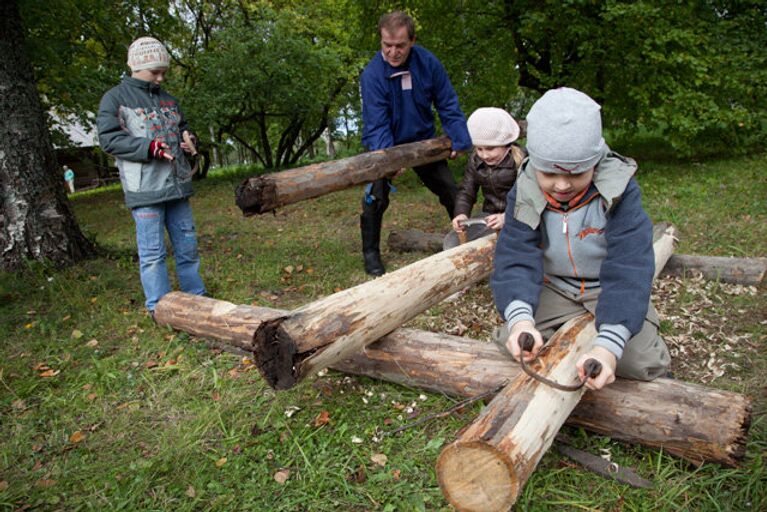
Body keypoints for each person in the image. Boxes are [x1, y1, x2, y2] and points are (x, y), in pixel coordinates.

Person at [491, 87, 670, 390]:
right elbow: (515, 257)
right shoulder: (524, 190)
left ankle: (615, 331)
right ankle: (548, 324)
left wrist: (608, 348)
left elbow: (629, 268)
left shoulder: (619, 192)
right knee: (513, 339)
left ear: (595, 161)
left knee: (640, 362)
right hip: (555, 288)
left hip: (607, 287)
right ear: (534, 162)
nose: (562, 185)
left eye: (576, 173)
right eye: (549, 173)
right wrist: (522, 321)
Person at [97, 36, 205, 316]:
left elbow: (185, 128)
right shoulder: (115, 98)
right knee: (153, 255)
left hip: (178, 186)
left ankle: (198, 298)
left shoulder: (170, 100)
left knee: (187, 247)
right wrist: (149, 147)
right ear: (135, 67)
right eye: (154, 72)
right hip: (144, 191)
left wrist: (190, 140)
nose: (160, 78)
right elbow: (109, 139)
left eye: (163, 72)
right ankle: (159, 308)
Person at [359, 10, 472, 276]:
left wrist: (458, 137)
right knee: (375, 197)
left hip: (422, 142)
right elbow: (376, 122)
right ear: (381, 41)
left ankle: (468, 242)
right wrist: (389, 160)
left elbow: (447, 102)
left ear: (412, 41)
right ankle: (371, 253)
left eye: (400, 45)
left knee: (451, 191)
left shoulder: (428, 63)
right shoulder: (372, 75)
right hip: (385, 144)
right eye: (387, 45)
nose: (393, 52)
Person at [451, 107, 526, 239]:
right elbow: (466, 192)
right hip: (489, 216)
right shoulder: (475, 160)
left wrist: (506, 217)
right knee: (453, 240)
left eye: (490, 149)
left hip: (520, 217)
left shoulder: (521, 162)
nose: (484, 155)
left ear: (506, 145)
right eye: (479, 149)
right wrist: (461, 213)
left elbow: (530, 199)